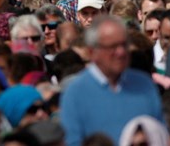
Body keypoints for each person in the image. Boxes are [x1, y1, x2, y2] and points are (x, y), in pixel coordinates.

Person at [60, 15, 163, 146]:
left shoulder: (145, 85)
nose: (120, 52)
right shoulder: (75, 93)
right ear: (92, 52)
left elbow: (161, 134)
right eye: (112, 47)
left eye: (124, 45)